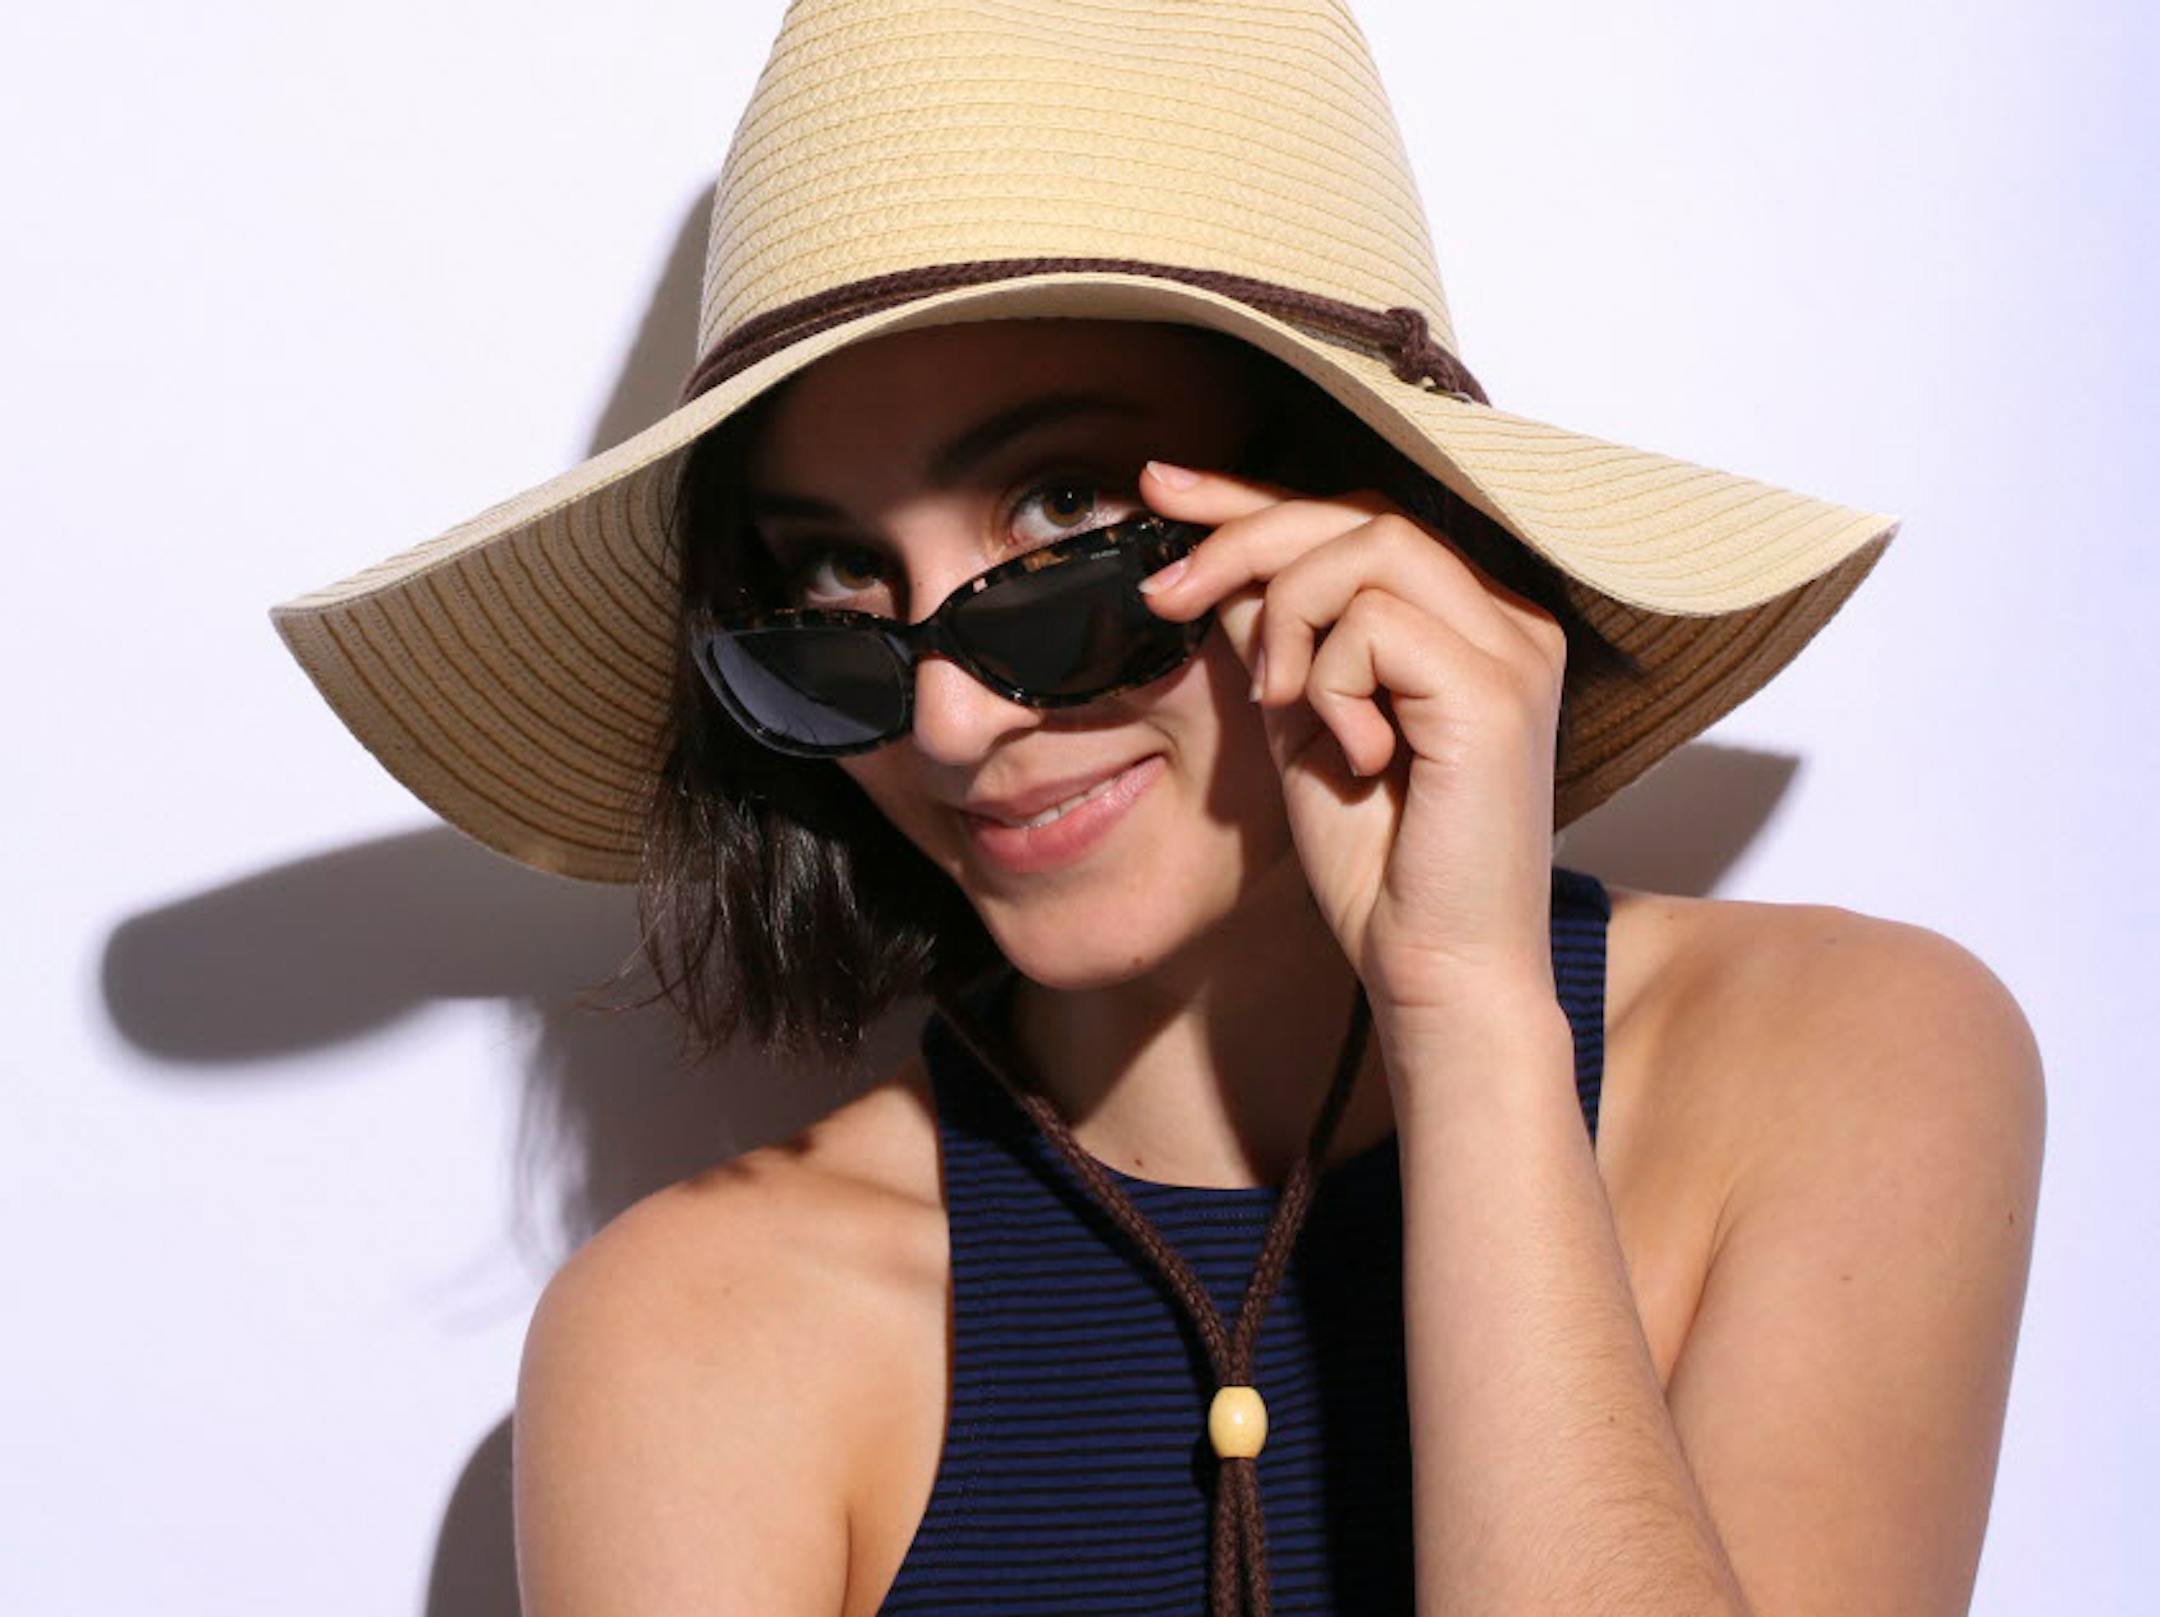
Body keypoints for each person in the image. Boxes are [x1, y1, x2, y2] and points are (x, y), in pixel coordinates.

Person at [269, 3, 2045, 1613]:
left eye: (1059, 523)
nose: (954, 722)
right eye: (832, 591)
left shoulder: (1847, 1066)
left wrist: (1474, 1020)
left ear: (1364, 507)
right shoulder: (694, 1338)